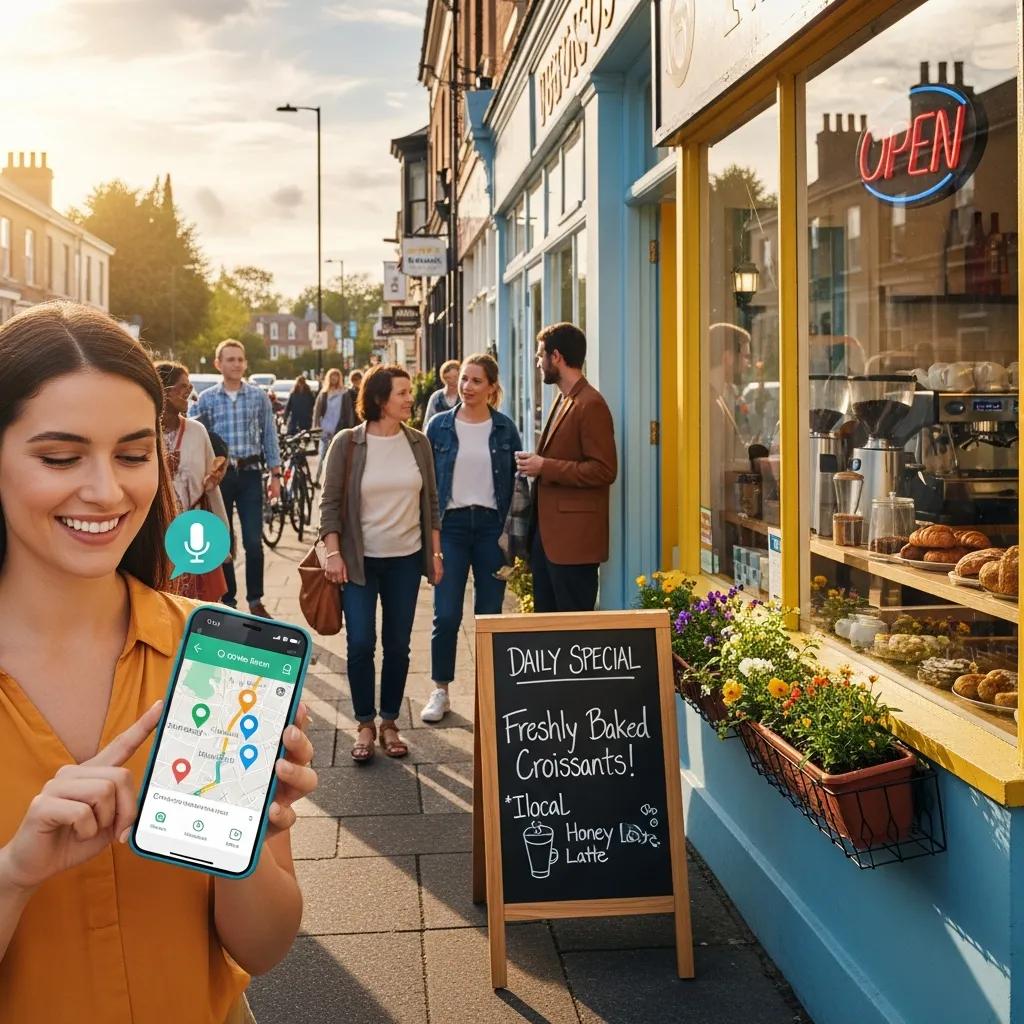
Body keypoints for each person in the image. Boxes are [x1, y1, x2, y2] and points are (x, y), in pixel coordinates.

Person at [0, 302, 317, 1024]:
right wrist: (15, 873)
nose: (108, 491)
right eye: (60, 457)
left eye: (134, 454)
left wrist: (250, 839)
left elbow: (263, 949)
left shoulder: (215, 656)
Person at [319, 364, 442, 762]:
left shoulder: (418, 443)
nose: (410, 398)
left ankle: (390, 722)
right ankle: (364, 724)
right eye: (402, 393)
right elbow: (330, 505)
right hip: (359, 561)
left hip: (405, 560)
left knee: (398, 646)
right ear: (379, 399)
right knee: (359, 644)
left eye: (409, 392)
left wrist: (435, 554)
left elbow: (433, 505)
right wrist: (333, 553)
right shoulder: (348, 443)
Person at [423, 354, 520, 722]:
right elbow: (427, 487)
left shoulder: (505, 429)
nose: (467, 386)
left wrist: (512, 538)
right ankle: (440, 690)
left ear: (492, 388)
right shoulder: (438, 427)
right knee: (446, 614)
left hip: (491, 530)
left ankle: (489, 691)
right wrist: (430, 540)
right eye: (464, 379)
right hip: (452, 528)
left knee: (489, 614)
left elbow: (515, 486)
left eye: (476, 381)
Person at [516, 322, 617, 613]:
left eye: (540, 356)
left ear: (556, 356)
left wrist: (544, 466)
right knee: (547, 630)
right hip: (548, 541)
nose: (538, 363)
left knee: (574, 632)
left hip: (573, 546)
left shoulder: (591, 404)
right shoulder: (564, 399)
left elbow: (604, 470)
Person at [189, 339, 281, 618]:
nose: (237, 364)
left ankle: (255, 599)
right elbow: (196, 438)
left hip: (251, 474)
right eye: (230, 359)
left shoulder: (258, 397)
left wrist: (275, 475)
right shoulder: (207, 400)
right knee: (222, 540)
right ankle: (228, 600)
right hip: (220, 479)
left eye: (240, 359)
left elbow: (269, 436)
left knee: (253, 541)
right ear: (219, 364)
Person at [155, 360, 230, 602]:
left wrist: (222, 534)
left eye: (190, 388)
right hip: (157, 533)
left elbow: (211, 489)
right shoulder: (144, 432)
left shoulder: (197, 432)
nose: (189, 394)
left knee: (202, 607)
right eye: (183, 388)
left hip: (195, 533)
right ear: (163, 391)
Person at [312, 368, 354, 487]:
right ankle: (317, 478)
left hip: (339, 428)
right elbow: (317, 410)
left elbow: (349, 411)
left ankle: (339, 481)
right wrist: (315, 427)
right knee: (323, 454)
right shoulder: (324, 393)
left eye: (336, 376)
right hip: (325, 429)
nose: (334, 378)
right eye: (332, 376)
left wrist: (351, 428)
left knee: (340, 456)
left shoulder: (344, 393)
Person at [423, 359, 460, 424]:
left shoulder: (464, 397)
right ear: (443, 378)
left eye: (455, 377)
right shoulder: (436, 397)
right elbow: (428, 422)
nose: (452, 381)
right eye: (448, 378)